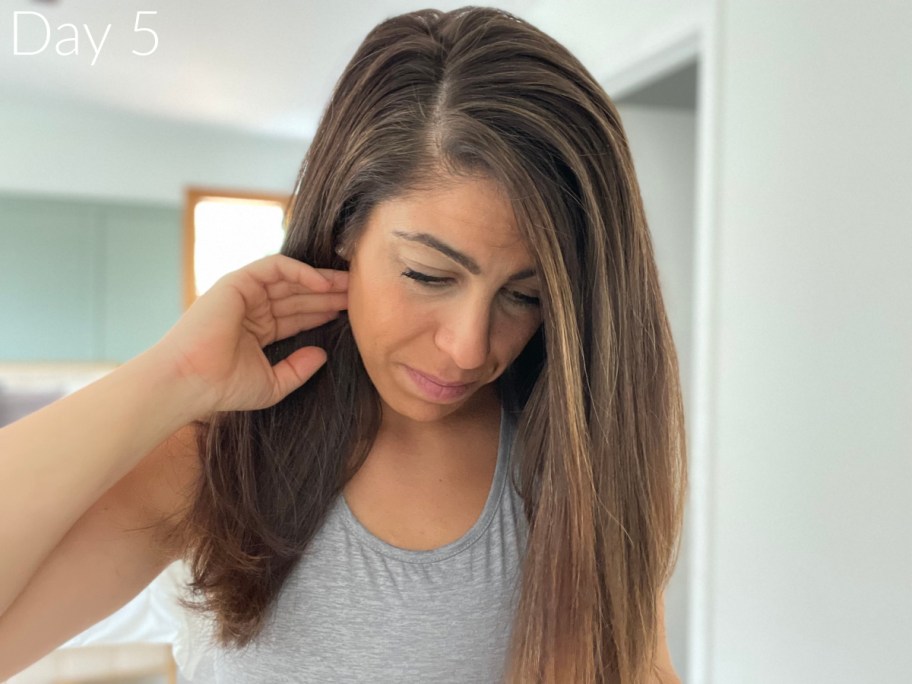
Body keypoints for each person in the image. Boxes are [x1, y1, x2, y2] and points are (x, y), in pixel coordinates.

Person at [0, 6, 686, 683]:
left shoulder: (568, 462)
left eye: (525, 295)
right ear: (343, 230)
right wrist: (170, 374)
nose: (469, 348)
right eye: (428, 274)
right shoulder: (229, 451)